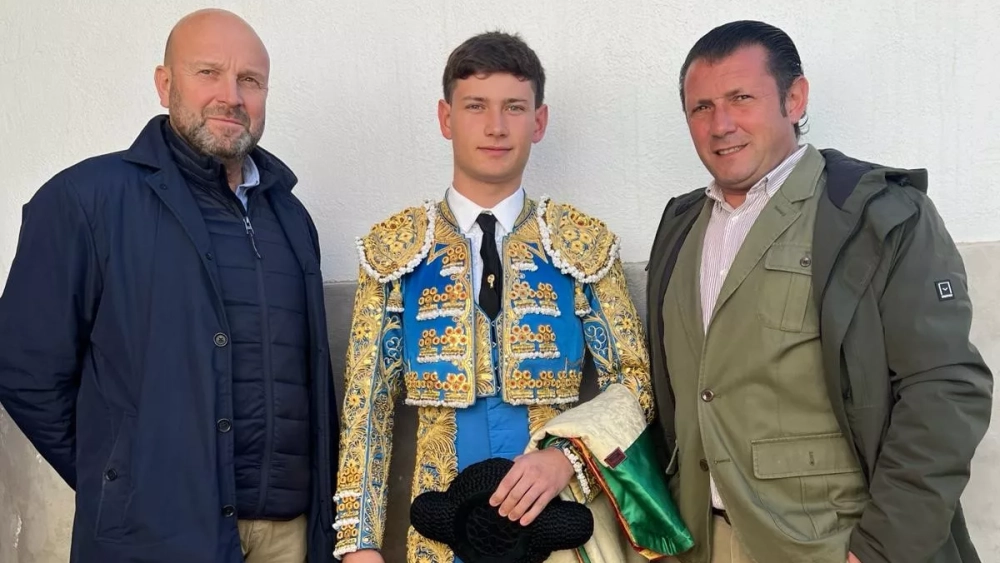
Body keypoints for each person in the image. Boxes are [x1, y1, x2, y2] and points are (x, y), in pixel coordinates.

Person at [645, 19, 993, 563]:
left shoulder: (878, 214)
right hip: (701, 542)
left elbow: (945, 388)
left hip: (830, 546)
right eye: (701, 107)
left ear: (795, 98)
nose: (721, 124)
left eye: (741, 98)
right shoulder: (680, 224)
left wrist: (882, 549)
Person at [0, 9, 337, 563]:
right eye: (208, 73)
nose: (231, 96)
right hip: (157, 536)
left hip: (287, 535)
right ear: (165, 84)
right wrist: (122, 482)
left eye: (250, 80)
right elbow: (24, 370)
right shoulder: (85, 201)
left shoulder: (289, 215)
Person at [333, 31, 660, 562]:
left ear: (539, 121)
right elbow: (366, 406)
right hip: (440, 533)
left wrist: (568, 458)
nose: (495, 126)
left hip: (557, 521)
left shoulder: (583, 243)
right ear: (446, 118)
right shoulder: (395, 250)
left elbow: (635, 383)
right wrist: (359, 545)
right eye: (475, 106)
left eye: (514, 107)